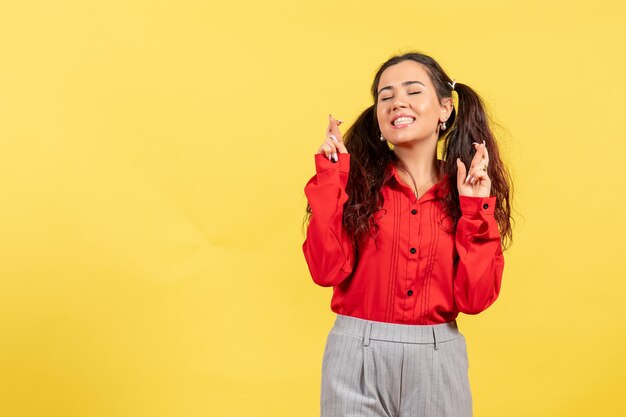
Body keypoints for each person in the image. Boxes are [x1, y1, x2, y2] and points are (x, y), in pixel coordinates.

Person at [301, 51, 513, 417]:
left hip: (436, 356)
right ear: (380, 117)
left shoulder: (466, 191)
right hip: (356, 355)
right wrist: (330, 180)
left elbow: (475, 299)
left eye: (413, 91)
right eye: (386, 96)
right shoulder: (354, 185)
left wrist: (476, 210)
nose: (398, 101)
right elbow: (325, 272)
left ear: (445, 108)